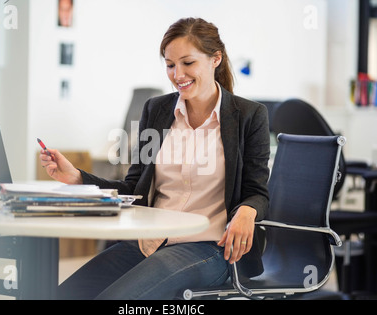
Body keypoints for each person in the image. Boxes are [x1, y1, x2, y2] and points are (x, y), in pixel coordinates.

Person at [40, 17, 270, 300]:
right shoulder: (157, 110)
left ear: (215, 59)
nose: (177, 74)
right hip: (149, 242)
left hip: (209, 247)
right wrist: (76, 177)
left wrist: (248, 210)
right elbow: (134, 189)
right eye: (170, 64)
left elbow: (257, 191)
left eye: (188, 63)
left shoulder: (249, 116)